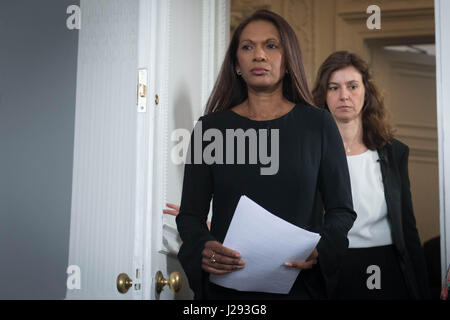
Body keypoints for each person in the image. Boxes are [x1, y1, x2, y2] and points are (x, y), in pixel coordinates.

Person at [173, 10, 356, 300]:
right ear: (236, 63)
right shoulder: (209, 129)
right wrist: (202, 246)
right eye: (247, 47)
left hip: (299, 288)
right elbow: (190, 217)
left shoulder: (318, 125)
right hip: (226, 292)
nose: (259, 55)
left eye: (271, 45)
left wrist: (321, 247)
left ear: (288, 60)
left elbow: (341, 210)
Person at [311, 50, 430, 299]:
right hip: (330, 266)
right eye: (334, 88)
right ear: (324, 96)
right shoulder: (310, 153)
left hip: (387, 265)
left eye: (352, 86)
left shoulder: (394, 153)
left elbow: (408, 227)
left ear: (366, 92)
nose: (344, 95)